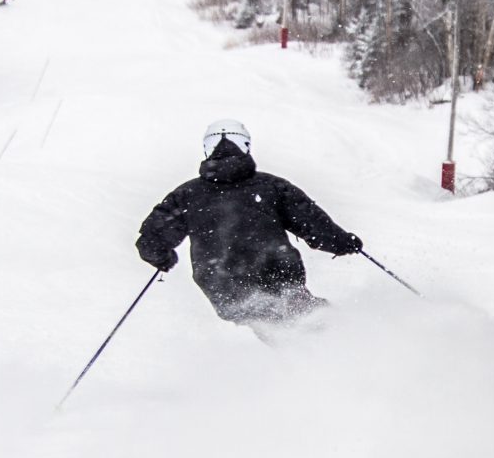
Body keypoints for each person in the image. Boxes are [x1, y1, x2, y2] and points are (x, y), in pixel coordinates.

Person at [135, 119, 362, 330]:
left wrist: (163, 258)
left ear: (207, 149)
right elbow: (312, 224)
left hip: (223, 286)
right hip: (279, 275)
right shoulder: (271, 187)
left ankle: (297, 359)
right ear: (245, 146)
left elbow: (150, 240)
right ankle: (343, 350)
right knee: (314, 320)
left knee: (271, 324)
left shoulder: (187, 195)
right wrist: (342, 242)